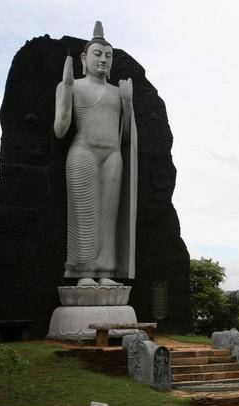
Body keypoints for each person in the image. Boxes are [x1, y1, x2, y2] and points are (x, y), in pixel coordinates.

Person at [54, 21, 137, 286]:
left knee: (108, 218)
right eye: (97, 54)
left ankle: (106, 272)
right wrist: (66, 91)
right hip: (83, 152)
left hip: (112, 155)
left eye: (108, 56)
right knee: (84, 214)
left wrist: (127, 102)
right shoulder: (73, 86)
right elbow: (60, 129)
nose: (103, 60)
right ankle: (83, 272)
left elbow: (125, 138)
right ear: (83, 58)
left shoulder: (117, 92)